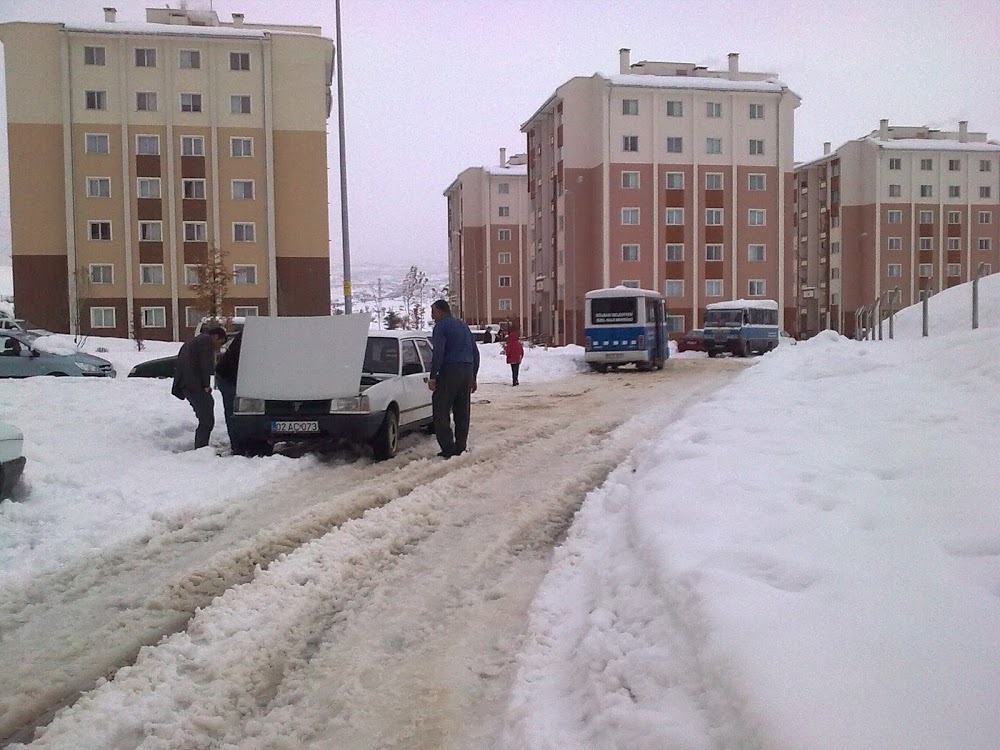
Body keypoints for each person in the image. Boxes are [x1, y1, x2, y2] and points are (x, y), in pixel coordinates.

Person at [428, 299, 479, 458]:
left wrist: (433, 376)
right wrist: (473, 376)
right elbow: (475, 352)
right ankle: (461, 446)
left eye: (433, 311)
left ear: (441, 311)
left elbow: (438, 353)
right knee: (462, 410)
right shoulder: (463, 326)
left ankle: (448, 447)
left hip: (449, 371)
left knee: (441, 410)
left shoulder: (441, 327)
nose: (432, 315)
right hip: (466, 371)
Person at [172, 326, 227, 450]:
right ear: (215, 337)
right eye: (221, 343)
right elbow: (205, 365)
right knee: (207, 419)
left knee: (207, 412)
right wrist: (206, 385)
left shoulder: (195, 341)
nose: (219, 348)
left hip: (187, 383)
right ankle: (201, 449)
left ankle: (202, 447)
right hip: (194, 385)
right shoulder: (206, 342)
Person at [213, 330, 243, 449]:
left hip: (228, 376)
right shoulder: (246, 341)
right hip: (227, 378)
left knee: (233, 410)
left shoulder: (246, 337)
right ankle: (236, 443)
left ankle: (237, 441)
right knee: (232, 410)